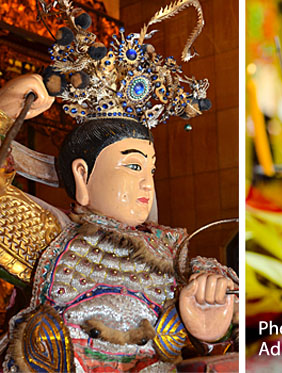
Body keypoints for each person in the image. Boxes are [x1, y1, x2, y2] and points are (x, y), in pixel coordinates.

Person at [0, 1, 237, 370]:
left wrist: (213, 301)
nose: (146, 182)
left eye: (151, 169)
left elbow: (219, 305)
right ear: (82, 175)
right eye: (132, 165)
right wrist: (1, 115)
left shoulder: (171, 249)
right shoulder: (50, 237)